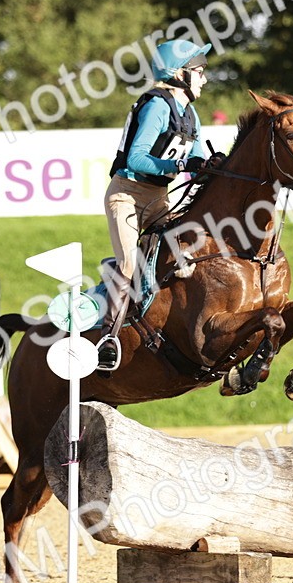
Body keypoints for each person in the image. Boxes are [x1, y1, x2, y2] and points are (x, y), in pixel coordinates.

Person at [97, 39, 223, 370]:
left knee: (187, 254)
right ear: (178, 73)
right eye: (199, 71)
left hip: (158, 199)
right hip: (127, 195)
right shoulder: (157, 106)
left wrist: (211, 165)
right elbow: (138, 157)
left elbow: (195, 156)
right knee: (127, 266)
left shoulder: (189, 113)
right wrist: (180, 168)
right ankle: (106, 338)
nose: (204, 79)